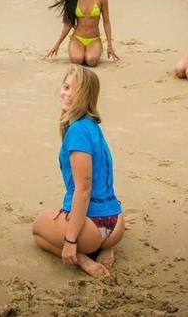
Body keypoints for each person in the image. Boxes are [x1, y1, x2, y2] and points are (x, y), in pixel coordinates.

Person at [32, 65, 125, 277]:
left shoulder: (77, 132)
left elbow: (84, 188)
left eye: (76, 90)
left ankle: (83, 259)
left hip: (91, 229)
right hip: (115, 223)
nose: (67, 93)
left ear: (87, 96)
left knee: (38, 230)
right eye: (65, 86)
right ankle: (107, 247)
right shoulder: (92, 126)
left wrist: (71, 240)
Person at [45, 0, 119, 67]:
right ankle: (77, 50)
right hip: (77, 38)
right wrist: (57, 44)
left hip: (94, 39)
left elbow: (106, 22)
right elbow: (68, 24)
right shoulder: (74, 0)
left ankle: (92, 51)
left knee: (91, 61)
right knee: (77, 60)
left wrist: (110, 45)